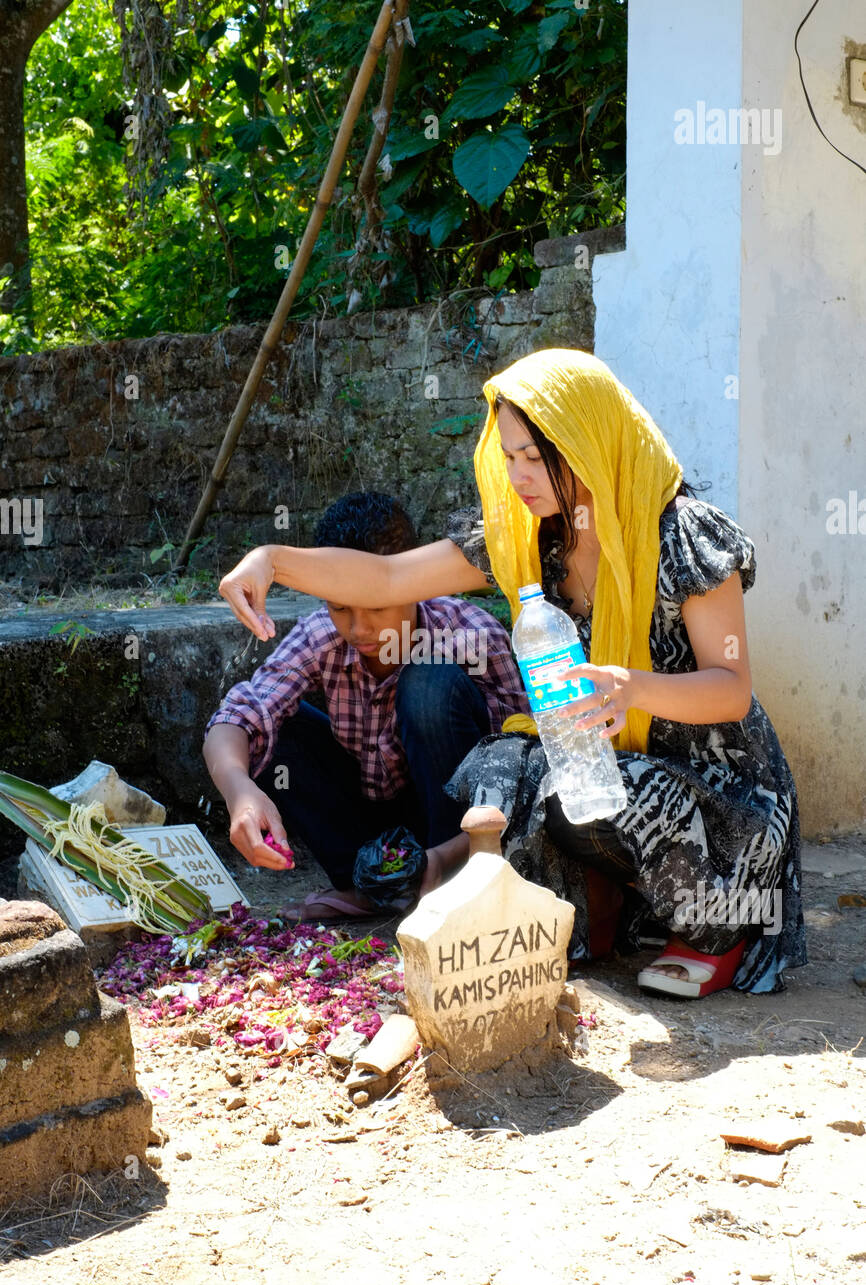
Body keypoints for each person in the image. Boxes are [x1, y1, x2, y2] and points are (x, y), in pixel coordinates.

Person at [216, 350, 806, 997]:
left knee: (597, 782)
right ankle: (599, 913)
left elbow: (731, 688)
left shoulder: (683, 534)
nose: (518, 475)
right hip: (608, 757)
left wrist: (634, 688)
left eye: (534, 456)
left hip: (718, 787)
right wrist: (270, 561)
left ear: (585, 442)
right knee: (508, 765)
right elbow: (386, 576)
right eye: (509, 456)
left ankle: (716, 929)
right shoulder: (532, 539)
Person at [203, 491, 530, 920]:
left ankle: (452, 883)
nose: (359, 628)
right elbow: (236, 716)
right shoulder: (320, 636)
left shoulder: (472, 635)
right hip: (368, 828)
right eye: (339, 606)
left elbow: (525, 766)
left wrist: (458, 851)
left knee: (430, 681)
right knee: (272, 734)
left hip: (457, 829)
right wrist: (239, 791)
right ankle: (371, 887)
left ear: (414, 581)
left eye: (376, 604)